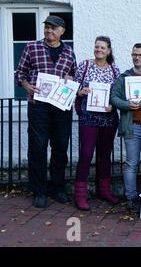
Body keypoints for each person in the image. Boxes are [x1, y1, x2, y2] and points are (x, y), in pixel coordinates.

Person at [15, 15, 77, 208]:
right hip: (39, 106)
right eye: (47, 27)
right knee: (38, 147)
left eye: (53, 28)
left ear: (62, 31)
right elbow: (20, 73)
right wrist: (26, 86)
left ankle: (57, 188)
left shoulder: (69, 52)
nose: (49, 31)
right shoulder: (32, 47)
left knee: (60, 147)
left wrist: (70, 77)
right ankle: (39, 190)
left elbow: (73, 75)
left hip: (61, 107)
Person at [73, 36, 120, 210]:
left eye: (102, 47)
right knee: (86, 154)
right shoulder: (85, 66)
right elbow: (72, 88)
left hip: (108, 119)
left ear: (108, 51)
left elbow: (117, 95)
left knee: (105, 156)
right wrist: (80, 91)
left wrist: (112, 105)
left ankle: (104, 191)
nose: (99, 50)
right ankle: (80, 196)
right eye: (97, 47)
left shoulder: (115, 70)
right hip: (88, 118)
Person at [110, 43, 141, 213]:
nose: (138, 57)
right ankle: (131, 198)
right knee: (131, 164)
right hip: (132, 127)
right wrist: (127, 105)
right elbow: (113, 98)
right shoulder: (124, 77)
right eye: (135, 54)